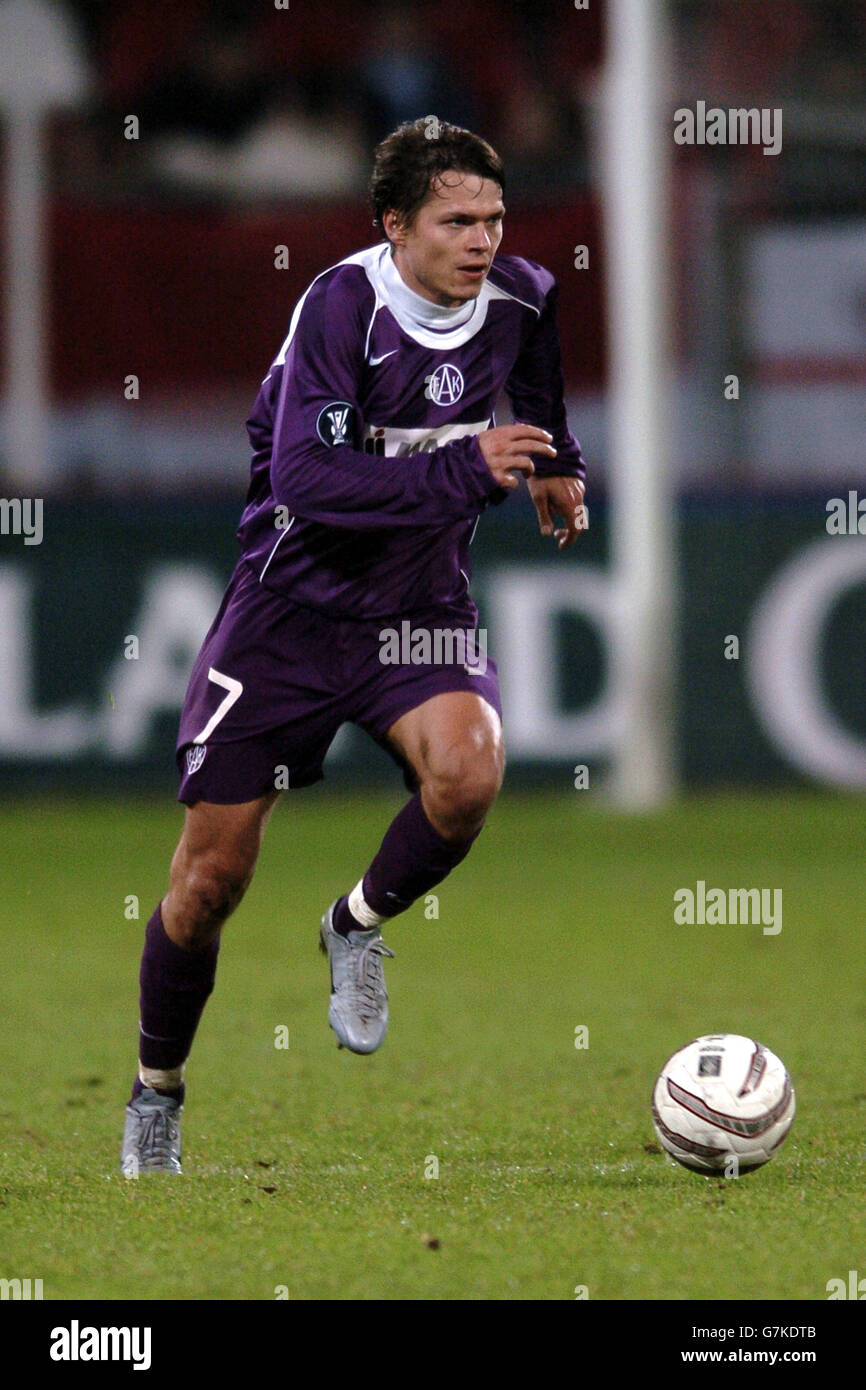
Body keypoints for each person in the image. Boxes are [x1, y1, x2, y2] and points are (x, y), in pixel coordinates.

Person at [121, 117, 586, 1175]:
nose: (480, 239)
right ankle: (156, 1091)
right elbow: (309, 483)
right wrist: (469, 468)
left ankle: (355, 923)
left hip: (416, 607)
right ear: (394, 226)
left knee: (468, 774)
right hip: (286, 613)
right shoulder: (341, 307)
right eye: (454, 220)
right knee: (207, 884)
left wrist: (561, 461)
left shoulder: (521, 296)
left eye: (493, 217)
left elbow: (542, 380)